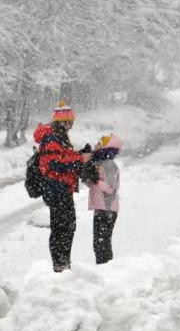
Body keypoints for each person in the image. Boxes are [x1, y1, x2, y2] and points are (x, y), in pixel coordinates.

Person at [34, 101, 91, 272]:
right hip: (56, 189)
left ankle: (63, 264)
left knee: (66, 227)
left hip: (61, 188)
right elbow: (55, 164)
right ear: (63, 122)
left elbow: (63, 157)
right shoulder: (52, 138)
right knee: (62, 228)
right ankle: (60, 266)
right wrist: (81, 159)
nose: (71, 125)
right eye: (70, 122)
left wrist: (79, 154)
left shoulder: (58, 137)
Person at [83, 134, 122, 265]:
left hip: (108, 209)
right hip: (101, 208)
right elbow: (94, 185)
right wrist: (88, 177)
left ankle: (106, 269)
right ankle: (103, 268)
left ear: (106, 147)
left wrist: (96, 180)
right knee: (98, 243)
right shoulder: (100, 163)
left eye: (99, 144)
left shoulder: (110, 165)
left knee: (103, 242)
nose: (95, 146)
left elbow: (110, 188)